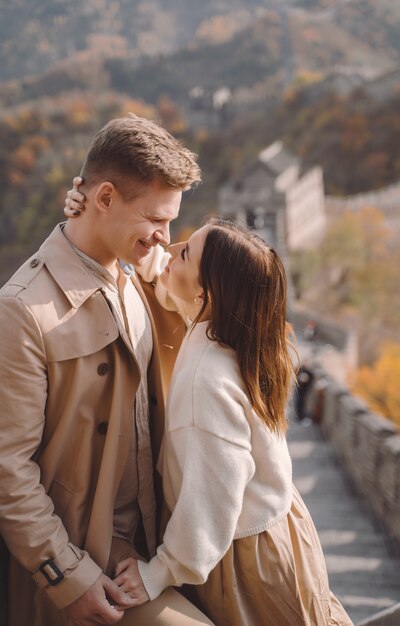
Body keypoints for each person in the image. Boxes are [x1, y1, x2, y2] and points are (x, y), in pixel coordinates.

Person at [65, 200, 354, 625]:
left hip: (247, 557)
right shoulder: (224, 328)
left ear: (206, 293)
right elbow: (174, 280)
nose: (172, 246)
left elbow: (211, 502)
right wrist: (87, 211)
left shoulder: (208, 383)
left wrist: (158, 571)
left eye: (185, 252)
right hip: (274, 530)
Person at [0, 115, 216, 626]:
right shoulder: (22, 310)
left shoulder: (132, 271)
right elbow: (8, 468)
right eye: (156, 219)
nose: (165, 238)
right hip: (87, 566)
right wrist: (66, 578)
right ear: (104, 199)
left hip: (150, 555)